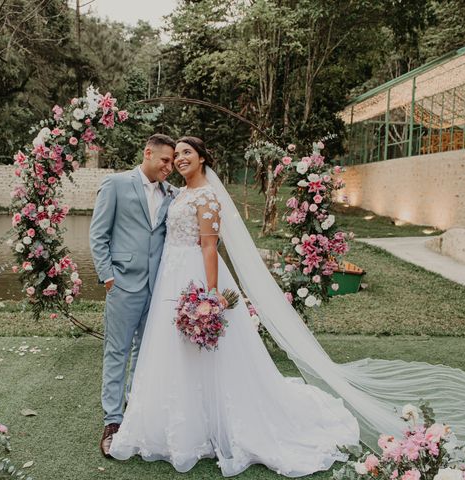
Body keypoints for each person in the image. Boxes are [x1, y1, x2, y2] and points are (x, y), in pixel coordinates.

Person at [108, 137, 360, 477]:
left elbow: (210, 249)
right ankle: (165, 419)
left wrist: (210, 297)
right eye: (176, 155)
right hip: (168, 274)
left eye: (187, 154)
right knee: (169, 349)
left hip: (192, 275)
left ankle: (209, 423)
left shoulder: (209, 198)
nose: (179, 160)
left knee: (201, 353)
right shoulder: (177, 193)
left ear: (202, 159)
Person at [89, 133, 176, 458]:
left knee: (146, 352)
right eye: (164, 160)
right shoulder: (116, 184)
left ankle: (136, 407)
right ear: (148, 153)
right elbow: (98, 235)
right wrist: (109, 278)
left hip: (158, 287)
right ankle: (112, 421)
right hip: (123, 284)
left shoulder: (172, 193)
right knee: (118, 352)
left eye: (172, 161)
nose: (169, 167)